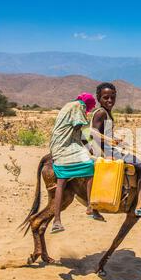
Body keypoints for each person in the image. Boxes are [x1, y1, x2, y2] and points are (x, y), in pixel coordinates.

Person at [90, 82, 141, 218]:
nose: (110, 100)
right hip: (106, 153)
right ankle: (140, 204)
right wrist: (109, 145)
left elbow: (105, 134)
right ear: (98, 98)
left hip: (110, 149)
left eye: (112, 97)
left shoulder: (107, 113)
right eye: (106, 97)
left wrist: (118, 140)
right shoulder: (101, 113)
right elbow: (93, 133)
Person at [49, 92, 103, 234]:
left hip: (57, 147)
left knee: (61, 181)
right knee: (91, 167)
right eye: (89, 107)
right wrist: (94, 146)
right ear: (87, 104)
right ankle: (91, 206)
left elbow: (78, 131)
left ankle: (57, 221)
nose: (88, 110)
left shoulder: (68, 106)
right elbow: (85, 131)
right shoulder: (78, 107)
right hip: (67, 146)